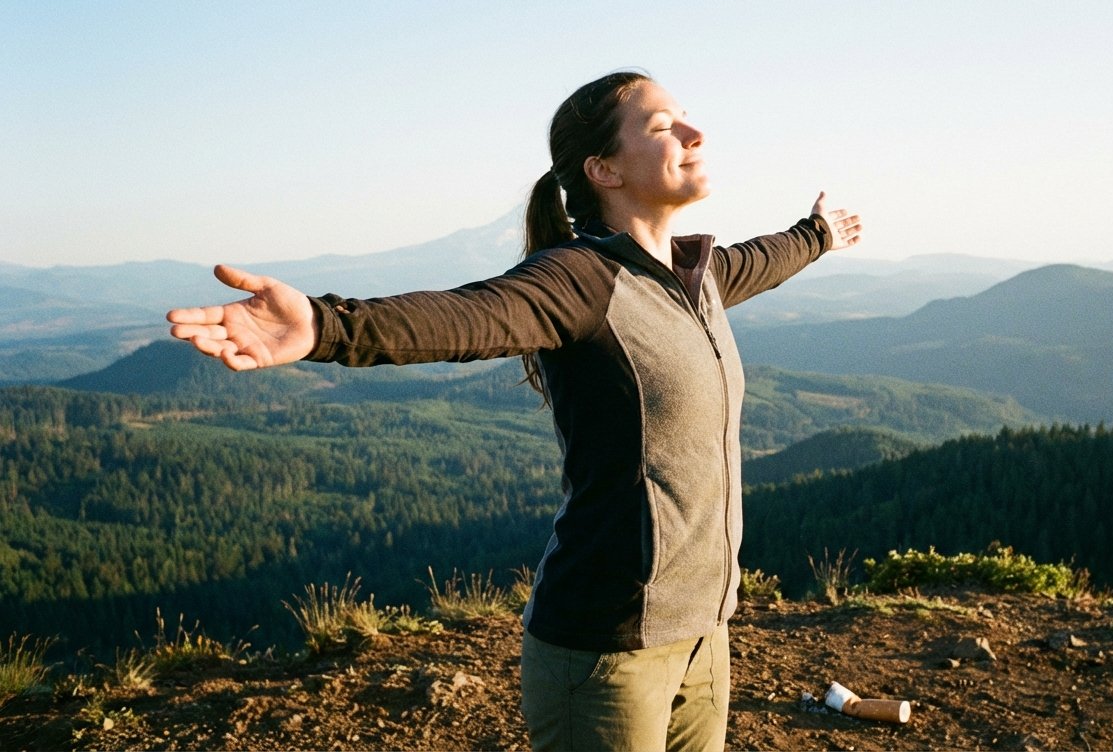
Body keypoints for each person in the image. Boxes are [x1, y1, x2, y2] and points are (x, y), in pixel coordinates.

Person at [168, 69, 862, 751]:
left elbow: (763, 258)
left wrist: (818, 234)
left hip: (705, 636)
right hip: (606, 652)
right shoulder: (581, 280)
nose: (694, 131)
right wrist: (326, 326)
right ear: (604, 170)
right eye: (661, 126)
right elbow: (470, 315)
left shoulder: (697, 278)